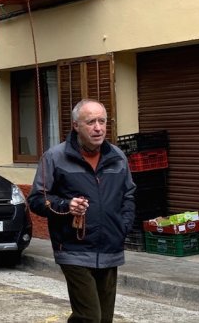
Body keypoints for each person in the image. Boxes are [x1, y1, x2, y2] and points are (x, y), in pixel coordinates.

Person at [28, 99, 136, 323]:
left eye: (102, 121)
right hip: (73, 248)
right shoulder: (55, 157)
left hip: (110, 248)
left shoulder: (117, 157)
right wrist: (66, 205)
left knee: (104, 319)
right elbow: (38, 199)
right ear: (76, 125)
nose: (98, 128)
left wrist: (121, 228)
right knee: (89, 317)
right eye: (91, 122)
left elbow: (128, 196)